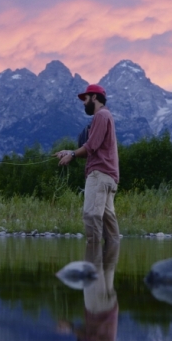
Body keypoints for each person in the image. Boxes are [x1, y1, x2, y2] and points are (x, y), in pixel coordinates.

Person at [56, 84, 120, 247]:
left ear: (94, 97)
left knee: (91, 215)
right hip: (109, 176)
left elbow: (91, 145)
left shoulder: (101, 116)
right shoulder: (107, 116)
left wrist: (71, 154)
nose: (83, 103)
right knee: (108, 223)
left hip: (99, 175)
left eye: (85, 99)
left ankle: (93, 258)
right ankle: (109, 265)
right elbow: (94, 147)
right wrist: (70, 151)